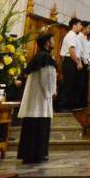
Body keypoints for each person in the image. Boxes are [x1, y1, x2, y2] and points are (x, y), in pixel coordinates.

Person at [17, 31, 56, 165]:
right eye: (52, 40)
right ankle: (38, 153)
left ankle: (28, 154)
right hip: (41, 97)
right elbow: (48, 78)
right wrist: (51, 92)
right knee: (40, 126)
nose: (54, 43)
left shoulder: (37, 57)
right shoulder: (46, 58)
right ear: (47, 43)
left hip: (34, 96)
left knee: (30, 126)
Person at [58, 18, 85, 111]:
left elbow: (78, 52)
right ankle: (62, 106)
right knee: (67, 84)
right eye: (80, 25)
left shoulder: (75, 36)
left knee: (72, 84)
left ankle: (69, 105)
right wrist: (78, 62)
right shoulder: (71, 35)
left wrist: (79, 61)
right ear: (74, 25)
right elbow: (71, 50)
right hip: (70, 61)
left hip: (73, 60)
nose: (81, 27)